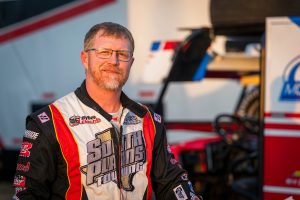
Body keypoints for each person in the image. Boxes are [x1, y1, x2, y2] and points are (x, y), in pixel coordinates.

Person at [13, 22, 202, 200]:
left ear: (131, 62)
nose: (114, 61)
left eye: (122, 54)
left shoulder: (149, 120)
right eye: (104, 52)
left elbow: (170, 182)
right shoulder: (50, 121)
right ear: (85, 59)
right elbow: (29, 194)